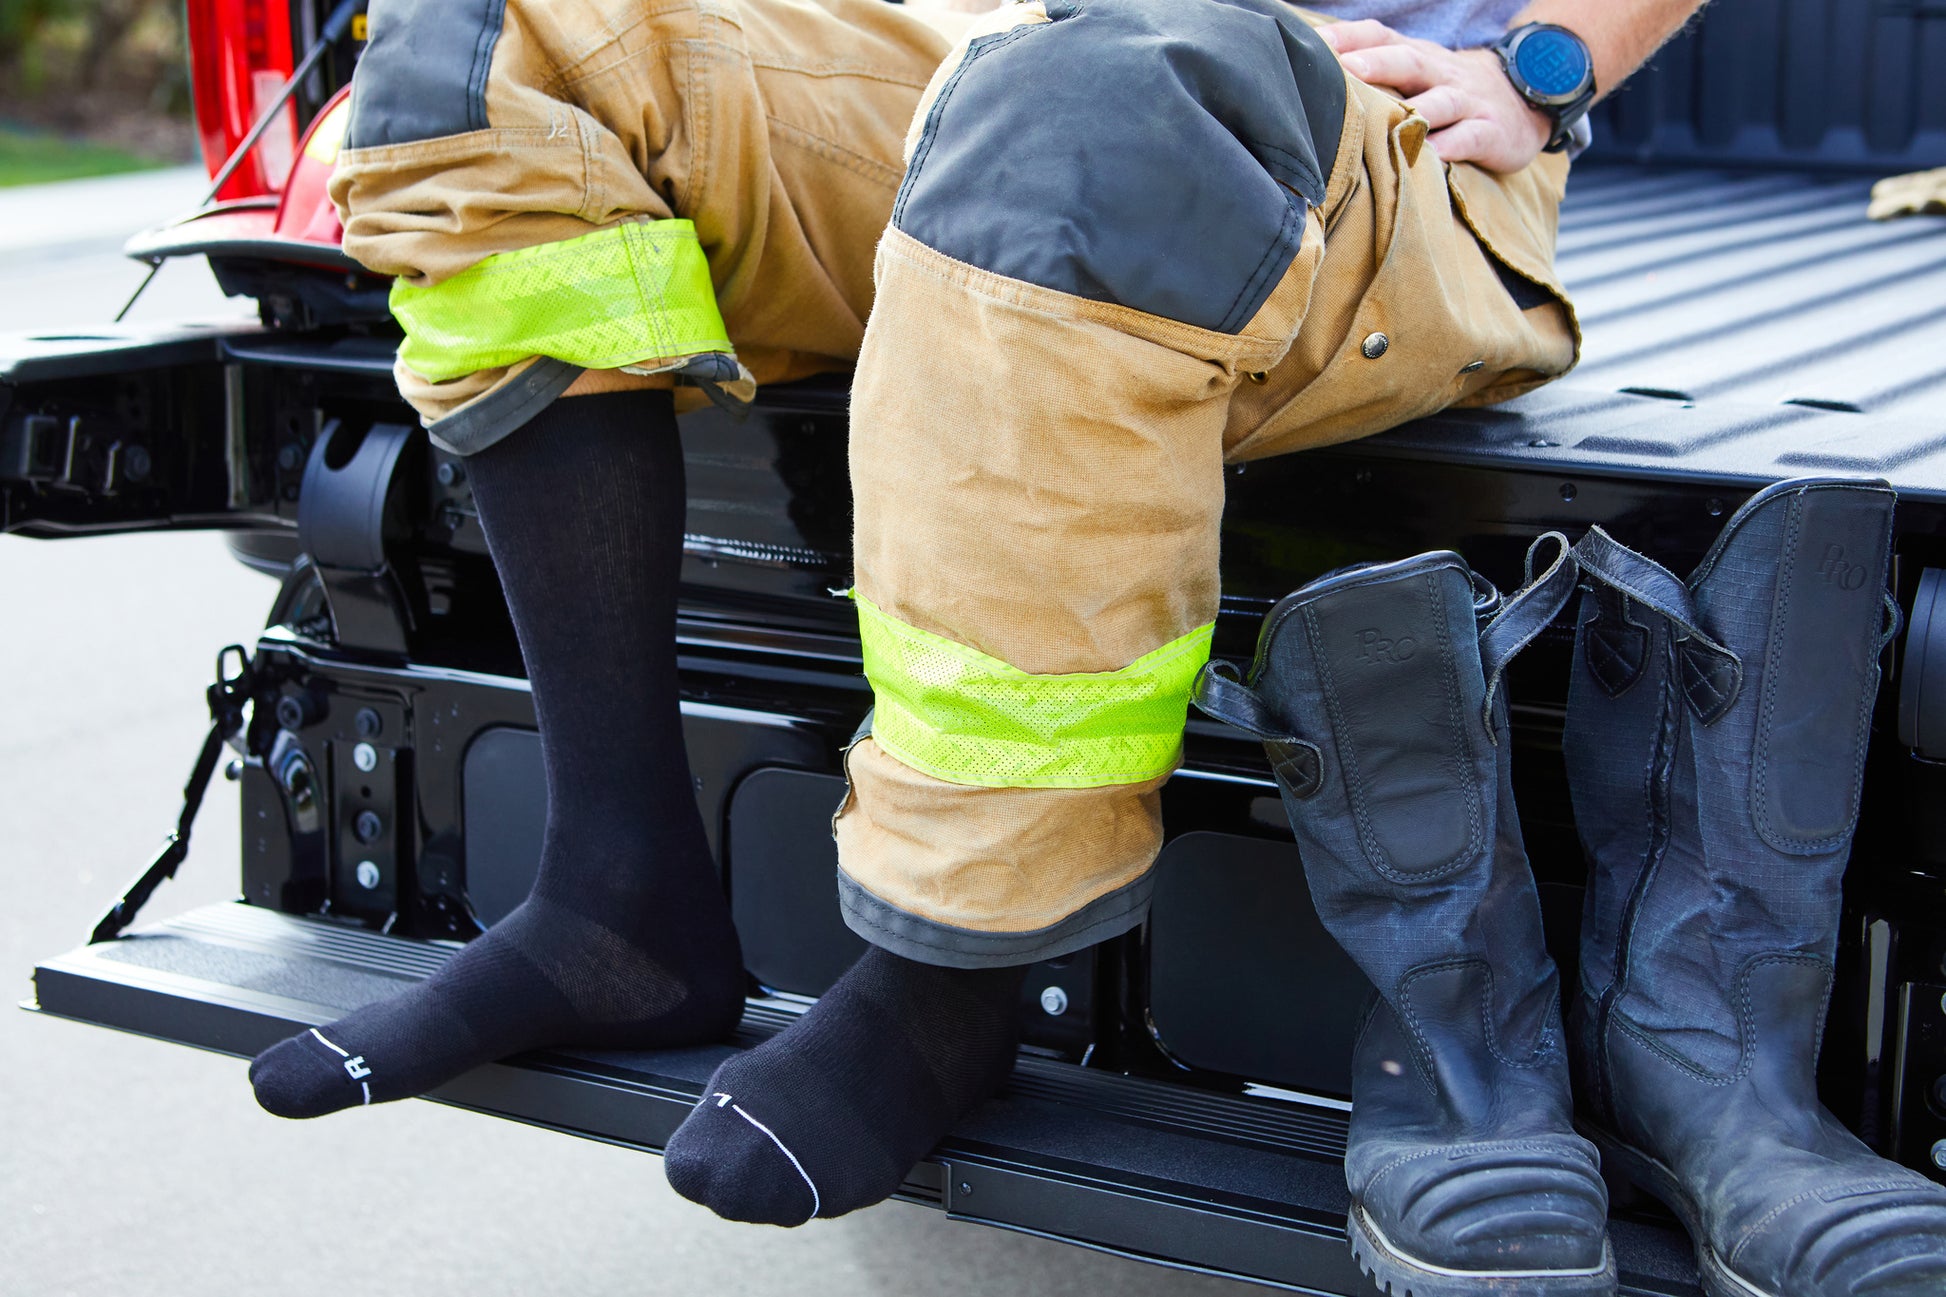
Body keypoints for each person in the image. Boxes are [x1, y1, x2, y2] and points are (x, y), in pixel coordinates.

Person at [244, 0, 1703, 1273]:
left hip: (1383, 147)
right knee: (488, 37)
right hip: (1010, 55)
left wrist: (1541, 65)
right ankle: (613, 889)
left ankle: (948, 993)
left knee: (1096, 101)